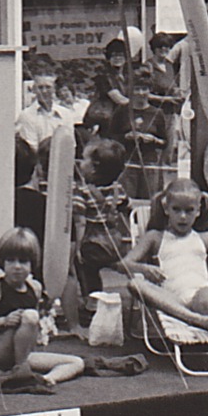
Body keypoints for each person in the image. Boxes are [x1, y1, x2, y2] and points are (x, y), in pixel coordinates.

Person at [120, 180, 208, 340]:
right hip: (171, 299)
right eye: (176, 210)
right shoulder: (155, 237)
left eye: (189, 210)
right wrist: (145, 269)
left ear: (198, 211)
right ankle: (195, 320)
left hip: (200, 292)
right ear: (166, 209)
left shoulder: (206, 238)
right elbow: (125, 263)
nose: (183, 216)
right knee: (135, 284)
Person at [0, 227, 81, 394]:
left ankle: (47, 379)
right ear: (2, 262)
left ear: (31, 263)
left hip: (24, 352)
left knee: (76, 362)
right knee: (30, 315)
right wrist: (3, 321)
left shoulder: (35, 288)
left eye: (23, 261)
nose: (17, 267)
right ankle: (21, 371)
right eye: (11, 261)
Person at [69, 136, 134, 322]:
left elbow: (80, 222)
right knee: (96, 267)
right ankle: (96, 299)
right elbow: (126, 211)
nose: (81, 162)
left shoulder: (82, 192)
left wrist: (78, 247)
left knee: (84, 268)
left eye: (85, 159)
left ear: (94, 166)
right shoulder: (117, 189)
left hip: (91, 243)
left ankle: (91, 301)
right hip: (113, 242)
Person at [13, 72, 72, 237]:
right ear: (34, 90)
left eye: (48, 87)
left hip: (62, 165)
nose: (44, 91)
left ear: (54, 89)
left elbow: (69, 143)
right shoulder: (27, 116)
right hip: (39, 168)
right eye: (40, 87)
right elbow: (31, 148)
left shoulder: (65, 114)